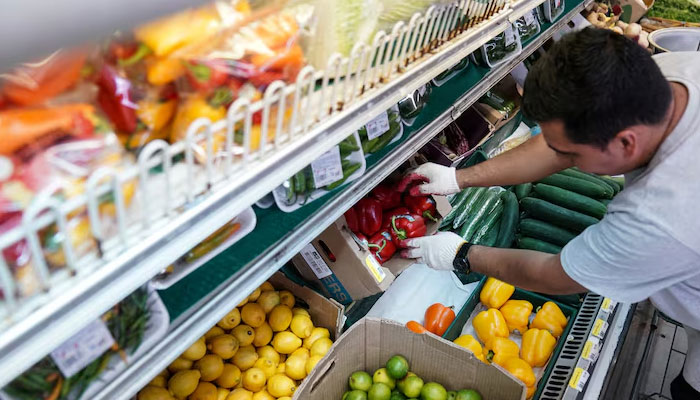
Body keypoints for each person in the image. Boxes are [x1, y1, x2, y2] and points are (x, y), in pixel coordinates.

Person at [399, 27, 700, 399]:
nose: (565, 161)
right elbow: (555, 146)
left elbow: (558, 275)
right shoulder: (673, 74)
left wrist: (462, 255)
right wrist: (458, 178)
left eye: (573, 156)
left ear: (625, 142)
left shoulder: (662, 215)